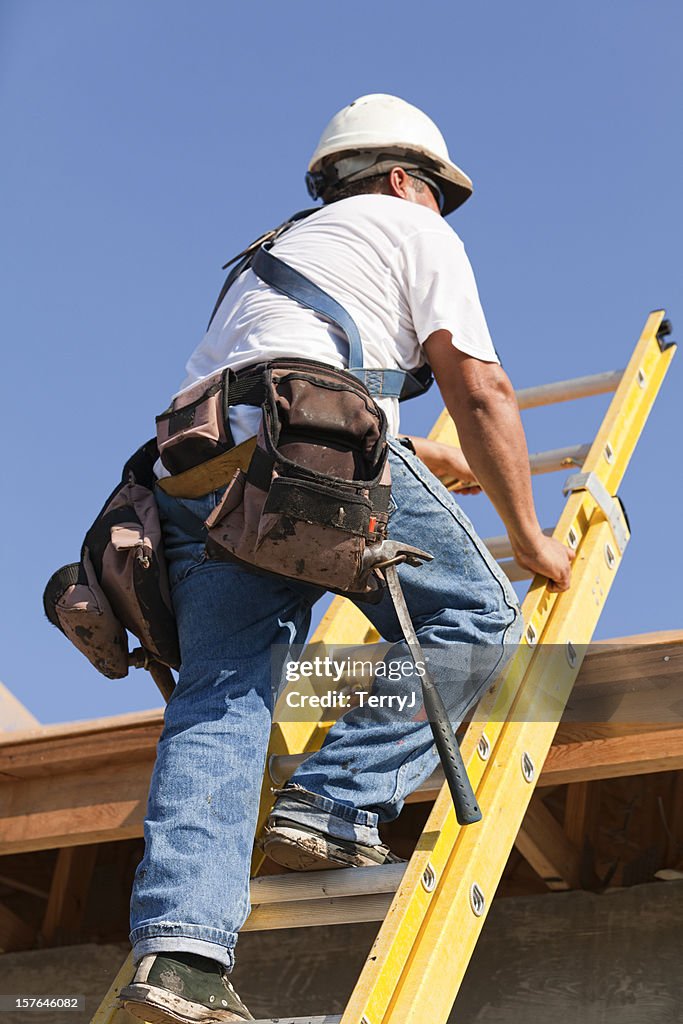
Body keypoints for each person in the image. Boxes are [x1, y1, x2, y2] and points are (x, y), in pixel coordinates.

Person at [121, 94, 574, 1023]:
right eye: (436, 195)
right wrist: (531, 539)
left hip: (197, 469)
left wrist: (439, 462)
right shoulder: (413, 229)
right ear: (405, 177)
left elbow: (306, 371)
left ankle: (182, 961)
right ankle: (336, 800)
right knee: (478, 613)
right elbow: (479, 386)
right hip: (305, 451)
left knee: (222, 700)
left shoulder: (278, 253)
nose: (440, 214)